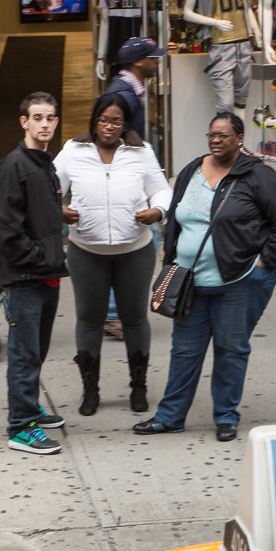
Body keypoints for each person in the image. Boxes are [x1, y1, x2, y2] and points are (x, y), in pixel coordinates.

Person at [132, 112, 276, 442]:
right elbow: (177, 219)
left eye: (223, 135)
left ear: (239, 139)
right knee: (184, 352)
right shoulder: (192, 170)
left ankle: (225, 417)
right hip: (191, 282)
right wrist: (174, 260)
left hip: (237, 282)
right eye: (211, 135)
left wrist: (264, 264)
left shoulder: (257, 176)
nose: (216, 140)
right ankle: (170, 416)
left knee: (231, 349)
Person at [55, 93, 171, 417]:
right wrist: (58, 209)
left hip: (134, 251)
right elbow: (48, 185)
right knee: (89, 321)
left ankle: (139, 387)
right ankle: (90, 391)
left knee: (134, 320)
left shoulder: (141, 151)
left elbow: (162, 189)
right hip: (86, 252)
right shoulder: (73, 150)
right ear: (94, 121)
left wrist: (157, 210)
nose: (109, 127)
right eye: (103, 120)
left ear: (125, 124)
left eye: (116, 121)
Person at [0, 92, 71, 454]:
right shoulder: (14, 166)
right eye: (37, 118)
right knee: (23, 354)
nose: (45, 124)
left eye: (50, 118)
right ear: (24, 122)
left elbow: (34, 214)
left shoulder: (44, 162)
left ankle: (29, 408)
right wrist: (38, 256)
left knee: (36, 350)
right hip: (25, 278)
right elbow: (3, 226)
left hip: (45, 273)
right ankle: (21, 426)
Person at [106, 37, 166, 147]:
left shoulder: (130, 91)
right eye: (153, 57)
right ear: (138, 62)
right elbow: (111, 138)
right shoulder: (124, 97)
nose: (158, 61)